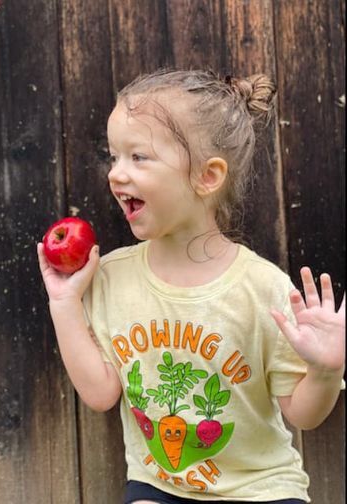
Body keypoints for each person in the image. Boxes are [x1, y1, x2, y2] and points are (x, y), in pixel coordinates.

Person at [37, 69, 345, 504]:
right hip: (160, 486)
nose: (116, 174)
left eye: (139, 157)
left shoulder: (263, 289)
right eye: (114, 157)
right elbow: (100, 393)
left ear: (207, 176)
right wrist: (65, 303)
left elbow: (304, 415)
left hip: (261, 490)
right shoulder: (109, 276)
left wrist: (326, 370)